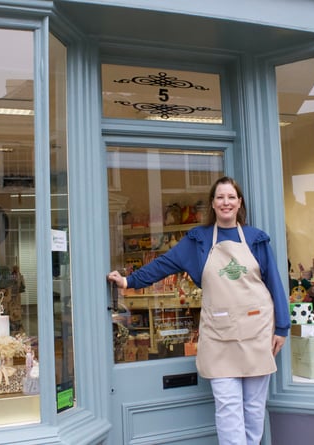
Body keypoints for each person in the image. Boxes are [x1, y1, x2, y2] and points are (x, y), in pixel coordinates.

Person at [107, 176, 290, 445]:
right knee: (228, 409)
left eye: (231, 197)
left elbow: (274, 282)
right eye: (220, 197)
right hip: (219, 336)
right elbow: (164, 264)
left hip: (257, 331)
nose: (226, 202)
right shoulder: (199, 241)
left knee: (253, 409)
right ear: (213, 204)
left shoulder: (256, 239)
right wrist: (128, 281)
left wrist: (282, 327)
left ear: (239, 203)